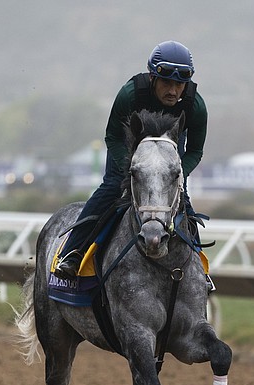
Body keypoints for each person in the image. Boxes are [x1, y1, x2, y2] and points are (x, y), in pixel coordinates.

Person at [53, 40, 209, 280]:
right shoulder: (130, 94)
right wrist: (130, 168)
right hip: (128, 149)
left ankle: (199, 270)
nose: (173, 90)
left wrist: (176, 174)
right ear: (152, 77)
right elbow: (112, 136)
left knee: (182, 201)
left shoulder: (195, 106)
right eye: (167, 82)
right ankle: (73, 253)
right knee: (111, 189)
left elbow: (195, 151)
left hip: (169, 155)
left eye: (179, 84)